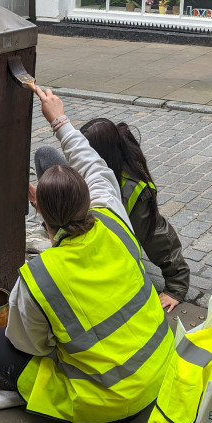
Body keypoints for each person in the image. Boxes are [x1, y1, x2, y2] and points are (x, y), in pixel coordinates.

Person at [0, 86, 174, 423]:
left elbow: (33, 347)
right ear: (89, 197)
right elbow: (93, 165)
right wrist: (60, 120)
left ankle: (39, 396)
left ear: (37, 207)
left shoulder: (41, 276)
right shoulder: (113, 216)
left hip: (106, 401)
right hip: (159, 366)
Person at [79, 118, 190, 311]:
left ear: (100, 154)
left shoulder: (134, 191)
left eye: (83, 151)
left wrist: (176, 286)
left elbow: (157, 236)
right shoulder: (94, 170)